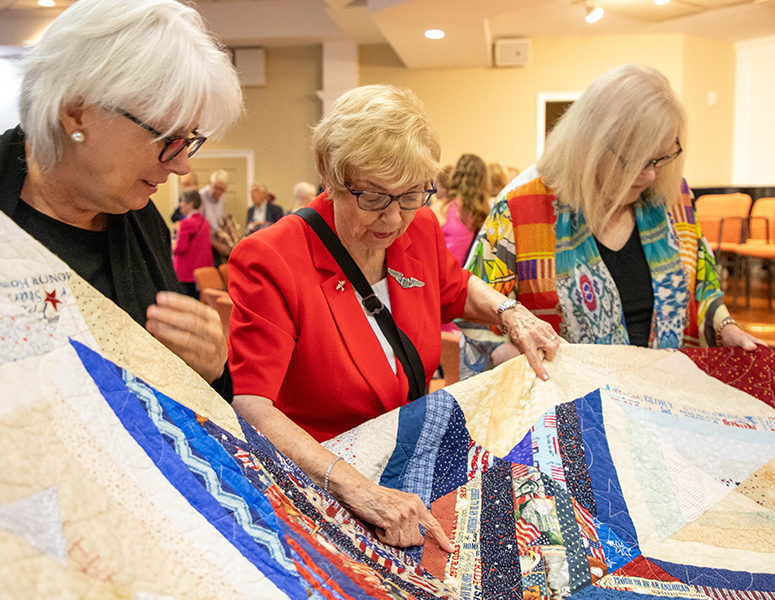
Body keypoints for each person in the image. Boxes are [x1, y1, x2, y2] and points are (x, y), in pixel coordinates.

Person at [227, 84, 561, 551]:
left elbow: (456, 288)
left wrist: (510, 312)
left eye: (410, 196)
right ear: (330, 177)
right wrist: (356, 489)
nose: (392, 219)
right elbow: (253, 407)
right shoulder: (271, 258)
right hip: (331, 476)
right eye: (372, 197)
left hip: (410, 458)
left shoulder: (418, 227)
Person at [0, 0, 242, 391]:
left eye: (189, 140)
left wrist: (211, 367)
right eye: (167, 138)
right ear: (77, 112)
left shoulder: (141, 220)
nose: (182, 166)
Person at [465, 64, 761, 374]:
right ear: (590, 143)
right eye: (635, 160)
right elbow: (475, 314)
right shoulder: (521, 208)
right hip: (564, 402)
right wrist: (520, 361)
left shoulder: (673, 199)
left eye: (659, 158)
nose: (650, 174)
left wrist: (725, 327)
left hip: (663, 390)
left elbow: (701, 287)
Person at [440, 153, 491, 266]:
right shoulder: (483, 212)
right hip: (466, 274)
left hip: (443, 274)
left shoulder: (444, 208)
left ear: (456, 174)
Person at [172, 190, 213, 298]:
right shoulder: (205, 222)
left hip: (186, 273)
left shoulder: (186, 223)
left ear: (190, 203)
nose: (180, 205)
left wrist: (171, 244)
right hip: (202, 272)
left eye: (182, 202)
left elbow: (181, 248)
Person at [200, 169, 231, 264]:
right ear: (210, 183)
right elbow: (199, 228)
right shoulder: (201, 196)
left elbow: (220, 221)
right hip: (203, 243)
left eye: (222, 189)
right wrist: (215, 243)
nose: (218, 192)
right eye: (216, 187)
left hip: (216, 240)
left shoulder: (222, 199)